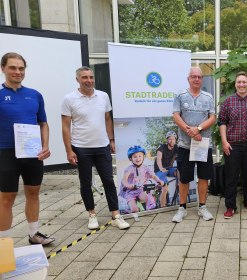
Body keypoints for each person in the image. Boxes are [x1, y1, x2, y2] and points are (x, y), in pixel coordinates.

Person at [61, 66, 130, 230]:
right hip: (81, 147)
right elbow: (65, 126)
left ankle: (116, 215)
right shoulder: (69, 99)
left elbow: (107, 119)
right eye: (85, 77)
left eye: (91, 77)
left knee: (108, 181)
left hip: (102, 146)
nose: (89, 80)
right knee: (85, 183)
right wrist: (69, 150)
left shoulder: (103, 96)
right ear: (77, 79)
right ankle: (92, 214)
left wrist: (111, 139)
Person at [0, 52, 54, 245]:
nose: (17, 72)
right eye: (13, 67)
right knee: (7, 198)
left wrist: (45, 146)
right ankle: (4, 244)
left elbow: (43, 124)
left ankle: (34, 234)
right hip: (5, 152)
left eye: (21, 68)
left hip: (32, 152)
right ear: (3, 68)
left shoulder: (34, 95)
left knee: (33, 193)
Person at [172, 67, 216, 223]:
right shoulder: (180, 95)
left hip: (203, 144)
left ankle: (202, 207)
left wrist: (198, 129)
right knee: (184, 178)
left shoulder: (208, 97)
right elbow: (176, 115)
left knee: (204, 177)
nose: (196, 79)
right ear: (188, 79)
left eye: (199, 77)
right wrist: (188, 130)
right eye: (193, 77)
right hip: (185, 144)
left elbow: (212, 117)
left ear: (202, 79)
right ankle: (182, 208)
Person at [219, 71, 247, 219]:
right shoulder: (227, 102)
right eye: (239, 82)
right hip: (232, 145)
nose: (241, 84)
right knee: (231, 177)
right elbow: (222, 123)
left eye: (244, 82)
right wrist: (224, 142)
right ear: (235, 84)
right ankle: (230, 206)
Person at [120, 146, 165, 212]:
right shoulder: (129, 169)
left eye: (140, 156)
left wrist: (159, 181)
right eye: (135, 157)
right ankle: (129, 209)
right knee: (135, 210)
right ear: (130, 158)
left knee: (148, 198)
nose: (138, 158)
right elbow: (124, 180)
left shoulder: (145, 168)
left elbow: (153, 176)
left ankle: (149, 211)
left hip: (140, 190)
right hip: (129, 192)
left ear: (143, 157)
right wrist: (128, 185)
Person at [154, 131, 178, 207]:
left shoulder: (176, 148)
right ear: (167, 140)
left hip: (169, 169)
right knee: (165, 187)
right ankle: (162, 206)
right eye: (170, 139)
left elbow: (179, 158)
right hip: (160, 170)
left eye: (173, 139)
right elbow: (158, 159)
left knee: (179, 172)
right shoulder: (162, 147)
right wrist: (161, 168)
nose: (172, 141)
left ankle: (179, 187)